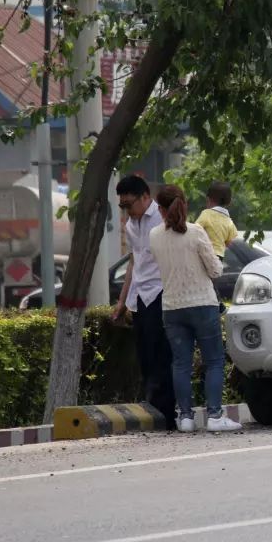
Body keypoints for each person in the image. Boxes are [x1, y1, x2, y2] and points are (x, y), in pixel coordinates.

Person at [148, 184, 243, 433]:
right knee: (214, 360)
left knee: (180, 363)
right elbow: (215, 270)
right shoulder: (196, 231)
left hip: (172, 307)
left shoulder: (154, 235)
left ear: (159, 209)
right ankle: (214, 416)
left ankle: (187, 418)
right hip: (202, 304)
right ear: (185, 204)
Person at [112, 175, 176, 428]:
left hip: (161, 292)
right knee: (145, 355)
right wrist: (122, 302)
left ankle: (168, 413)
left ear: (145, 197)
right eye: (123, 206)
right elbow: (133, 262)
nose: (127, 211)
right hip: (140, 297)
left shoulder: (161, 218)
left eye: (130, 204)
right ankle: (155, 410)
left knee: (162, 354)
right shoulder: (131, 225)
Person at [195, 181, 238, 260]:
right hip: (219, 257)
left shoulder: (206, 214)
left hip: (204, 254)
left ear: (208, 199)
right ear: (229, 202)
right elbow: (229, 242)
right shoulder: (229, 221)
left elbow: (195, 230)